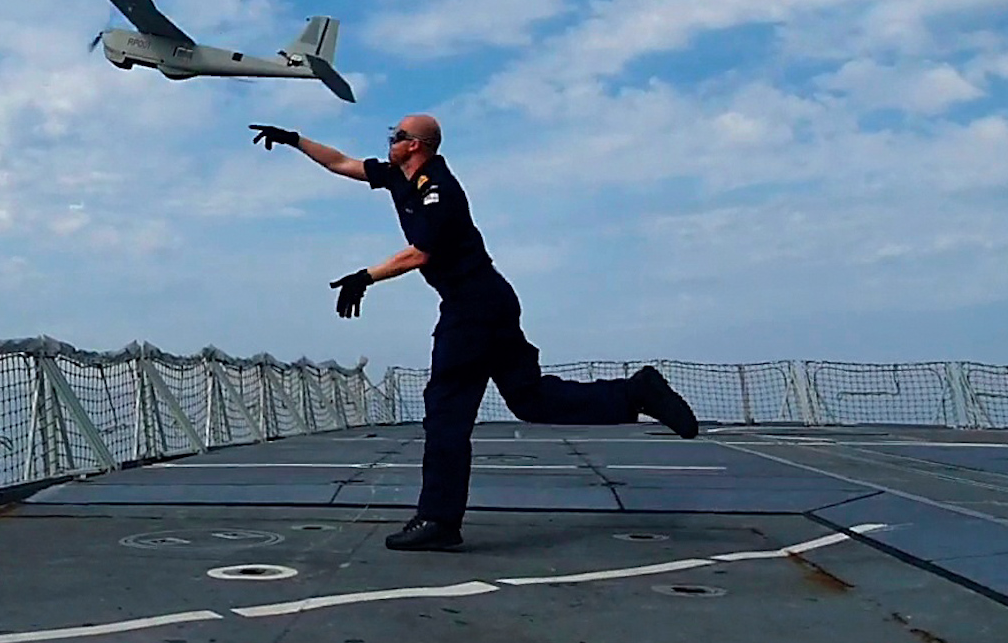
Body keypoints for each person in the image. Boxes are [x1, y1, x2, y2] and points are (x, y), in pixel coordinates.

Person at [248, 115, 699, 552]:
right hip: (488, 302)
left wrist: (364, 277)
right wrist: (293, 139)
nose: (390, 138)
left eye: (398, 134)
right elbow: (340, 162)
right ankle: (636, 394)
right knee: (530, 399)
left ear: (416, 145)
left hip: (473, 307)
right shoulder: (398, 176)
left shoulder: (439, 190)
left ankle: (439, 520)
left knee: (446, 411)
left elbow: (420, 254)